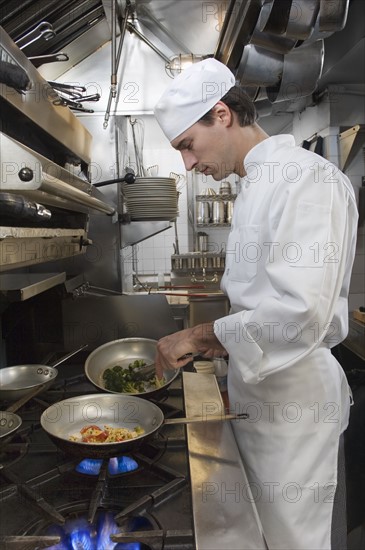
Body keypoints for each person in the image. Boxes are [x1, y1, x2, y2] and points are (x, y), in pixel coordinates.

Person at [153, 58, 358, 550]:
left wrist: (201, 335)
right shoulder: (254, 186)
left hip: (295, 410)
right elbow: (260, 306)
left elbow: (300, 313)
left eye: (187, 145)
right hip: (261, 400)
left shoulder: (306, 180)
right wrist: (228, 361)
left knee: (294, 541)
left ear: (221, 114)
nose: (187, 162)